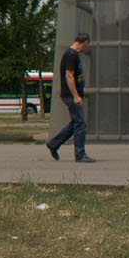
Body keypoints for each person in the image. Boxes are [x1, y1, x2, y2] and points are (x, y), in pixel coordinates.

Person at [46, 33, 94, 163]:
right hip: (71, 95)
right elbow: (69, 75)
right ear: (84, 42)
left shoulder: (72, 54)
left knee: (75, 123)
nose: (86, 48)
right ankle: (80, 154)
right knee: (81, 124)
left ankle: (54, 144)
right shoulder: (71, 55)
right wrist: (75, 96)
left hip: (71, 94)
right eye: (86, 45)